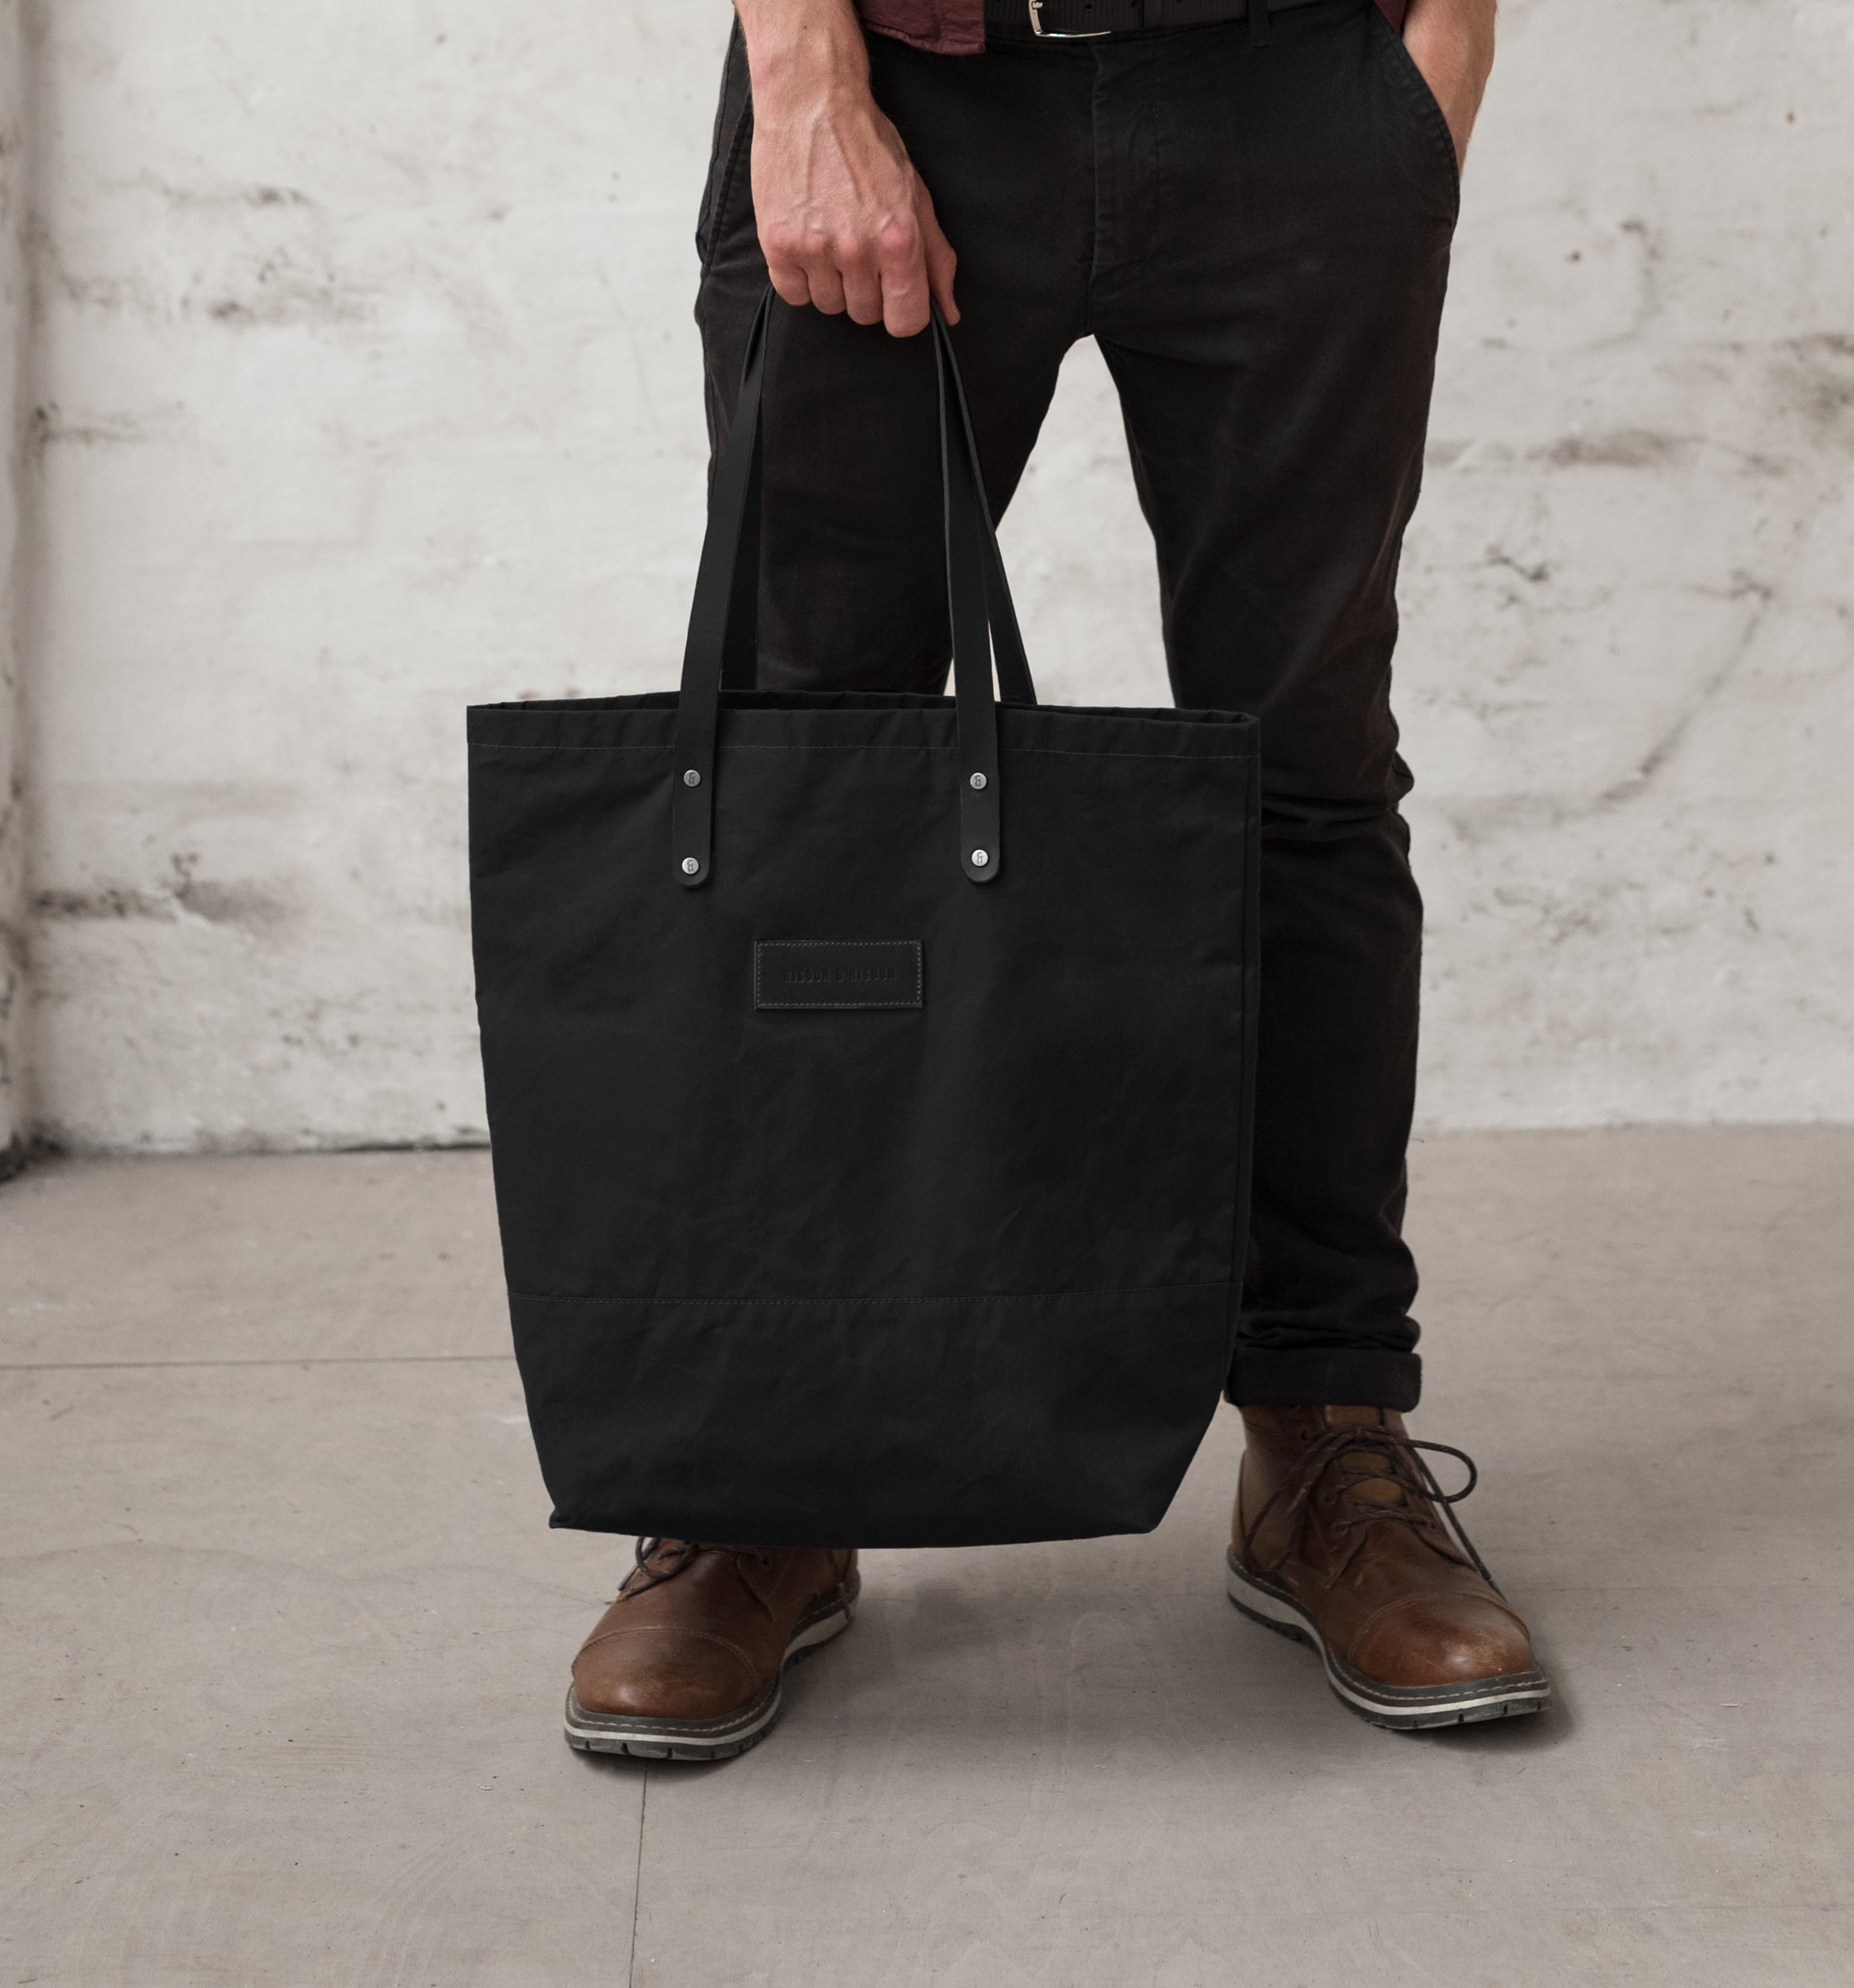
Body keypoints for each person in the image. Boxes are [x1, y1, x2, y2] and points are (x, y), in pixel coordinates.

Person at [562, 0, 1547, 1762]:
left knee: (1302, 777)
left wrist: (1434, 63)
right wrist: (801, 77)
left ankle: (1324, 1430)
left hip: (1303, 82)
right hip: (912, 85)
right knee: (814, 785)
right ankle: (768, 1469)